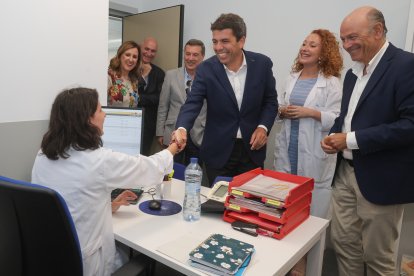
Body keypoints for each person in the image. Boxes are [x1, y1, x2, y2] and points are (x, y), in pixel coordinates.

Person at [31, 87, 181, 276]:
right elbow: (149, 167)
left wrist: (108, 206)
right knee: (140, 257)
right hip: (88, 263)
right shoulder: (99, 161)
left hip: (52, 258)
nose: (104, 115)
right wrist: (174, 147)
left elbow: (69, 204)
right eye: (100, 110)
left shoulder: (43, 155)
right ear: (87, 120)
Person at [321, 6, 414, 276]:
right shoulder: (352, 73)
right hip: (345, 175)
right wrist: (335, 135)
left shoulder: (406, 66)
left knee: (377, 257)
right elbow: (350, 116)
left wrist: (349, 139)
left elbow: (410, 125)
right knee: (344, 245)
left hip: (381, 180)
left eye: (352, 38)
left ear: (377, 31)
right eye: (343, 40)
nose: (346, 45)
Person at [174, 13, 277, 186]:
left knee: (248, 205)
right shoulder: (206, 69)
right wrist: (182, 127)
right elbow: (193, 103)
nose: (218, 47)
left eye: (225, 41)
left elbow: (271, 102)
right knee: (218, 207)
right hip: (218, 152)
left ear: (241, 40)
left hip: (252, 151)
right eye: (215, 41)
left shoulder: (262, 64)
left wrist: (263, 127)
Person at [274, 29, 343, 219]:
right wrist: (282, 110)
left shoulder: (331, 82)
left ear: (324, 53)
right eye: (304, 44)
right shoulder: (291, 79)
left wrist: (310, 113)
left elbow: (336, 118)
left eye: (312, 45)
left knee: (313, 217)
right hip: (289, 151)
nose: (305, 48)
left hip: (314, 154)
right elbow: (278, 106)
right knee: (286, 211)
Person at [156, 39, 206, 166]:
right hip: (173, 133)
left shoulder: (208, 78)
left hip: (199, 135)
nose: (190, 58)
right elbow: (163, 106)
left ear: (203, 56)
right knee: (171, 172)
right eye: (187, 54)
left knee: (194, 174)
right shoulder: (170, 75)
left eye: (195, 55)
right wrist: (160, 132)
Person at [139, 37, 166, 156]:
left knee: (143, 158)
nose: (149, 53)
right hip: (127, 121)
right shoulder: (129, 68)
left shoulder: (159, 73)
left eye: (153, 51)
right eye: (146, 49)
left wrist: (139, 98)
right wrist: (143, 75)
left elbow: (159, 99)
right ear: (140, 47)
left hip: (148, 127)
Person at [107, 41, 142, 108]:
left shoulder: (134, 81)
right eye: (127, 55)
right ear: (120, 56)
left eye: (134, 57)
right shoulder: (110, 77)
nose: (131, 59)